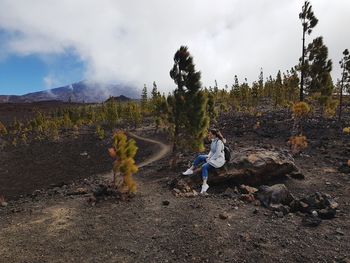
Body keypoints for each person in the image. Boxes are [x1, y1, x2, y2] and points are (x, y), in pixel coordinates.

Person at [182, 128, 226, 194]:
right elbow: (211, 151)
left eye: (210, 134)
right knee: (200, 157)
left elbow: (217, 154)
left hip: (218, 160)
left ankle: (205, 185)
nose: (209, 135)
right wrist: (208, 156)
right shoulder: (213, 140)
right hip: (213, 157)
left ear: (214, 135)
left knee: (204, 166)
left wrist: (210, 159)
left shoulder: (219, 142)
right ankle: (190, 170)